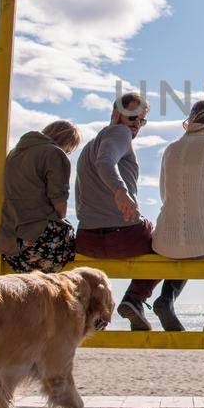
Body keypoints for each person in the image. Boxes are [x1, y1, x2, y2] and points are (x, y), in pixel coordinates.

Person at [75, 92, 169, 329]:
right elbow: (106, 162)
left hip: (87, 240)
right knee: (167, 243)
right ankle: (135, 298)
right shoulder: (119, 133)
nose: (136, 125)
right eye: (132, 118)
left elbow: (79, 197)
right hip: (125, 236)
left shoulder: (88, 148)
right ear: (116, 114)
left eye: (141, 121)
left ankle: (96, 315)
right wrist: (120, 191)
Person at [151, 100, 204, 330]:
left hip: (164, 242)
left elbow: (164, 195)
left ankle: (166, 299)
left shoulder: (171, 148)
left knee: (184, 252)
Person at [0, 119, 80, 274]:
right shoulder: (55, 153)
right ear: (67, 141)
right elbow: (59, 200)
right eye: (69, 149)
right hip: (38, 241)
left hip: (10, 242)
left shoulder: (15, 152)